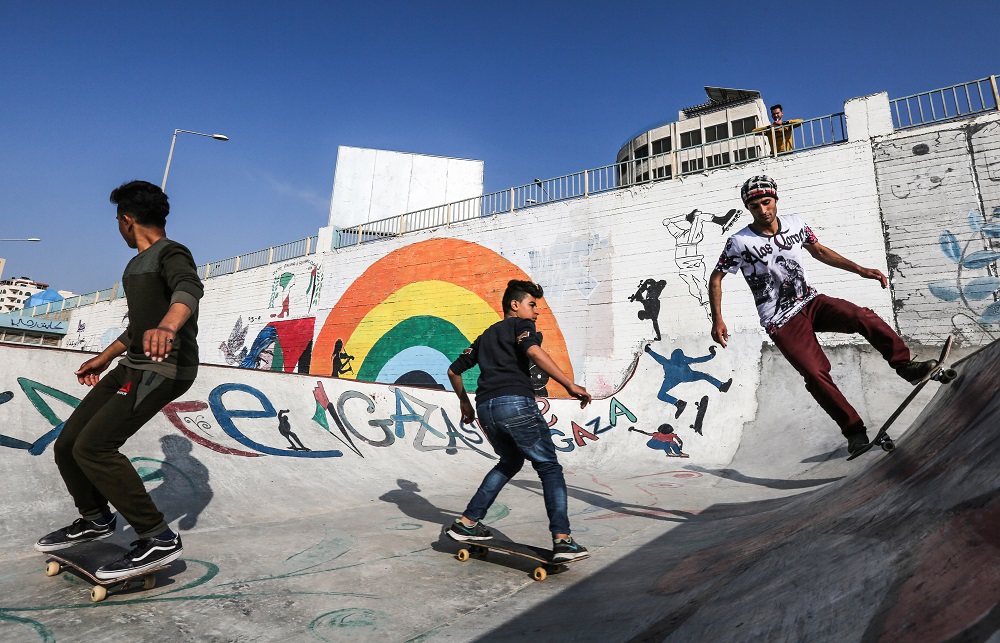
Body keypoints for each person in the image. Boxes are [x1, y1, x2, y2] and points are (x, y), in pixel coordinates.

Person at [35, 180, 204, 580]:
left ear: (127, 220)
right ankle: (95, 518)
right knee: (69, 443)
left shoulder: (172, 252)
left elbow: (189, 288)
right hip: (133, 365)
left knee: (95, 447)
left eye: (117, 222)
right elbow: (138, 327)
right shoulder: (135, 265)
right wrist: (105, 357)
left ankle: (158, 537)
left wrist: (168, 326)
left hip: (165, 368)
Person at [709, 176, 938, 455]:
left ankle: (905, 367)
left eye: (766, 203)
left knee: (862, 316)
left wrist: (860, 269)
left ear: (775, 199)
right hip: (780, 319)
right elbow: (716, 278)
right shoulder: (739, 242)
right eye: (755, 206)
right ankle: (854, 431)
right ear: (749, 208)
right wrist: (718, 319)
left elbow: (818, 250)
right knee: (815, 373)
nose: (763, 210)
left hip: (811, 301)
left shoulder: (796, 224)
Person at [445, 280, 592, 563]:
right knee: (549, 467)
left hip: (486, 409)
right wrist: (569, 384)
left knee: (510, 461)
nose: (536, 312)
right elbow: (533, 351)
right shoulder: (521, 325)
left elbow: (454, 370)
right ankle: (562, 540)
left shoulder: (485, 337)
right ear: (515, 305)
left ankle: (467, 522)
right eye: (532, 305)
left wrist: (465, 402)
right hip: (515, 403)